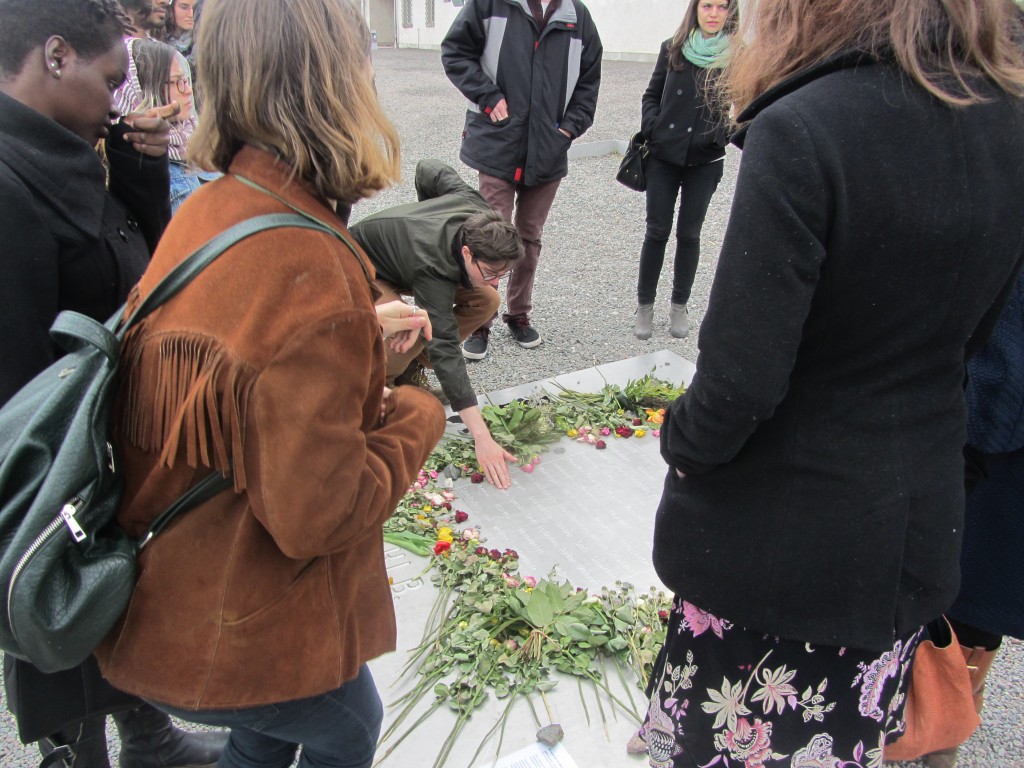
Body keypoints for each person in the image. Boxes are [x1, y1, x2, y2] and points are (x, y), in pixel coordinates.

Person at [635, 0, 1024, 766]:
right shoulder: (1009, 122)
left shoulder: (807, 126)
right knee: (843, 743)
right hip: (908, 525)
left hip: (779, 548)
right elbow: (970, 342)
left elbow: (740, 381)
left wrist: (681, 441)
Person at [92, 2, 446, 768]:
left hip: (167, 590)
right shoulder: (308, 262)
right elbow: (320, 516)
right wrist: (417, 413)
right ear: (334, 84)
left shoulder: (216, 205)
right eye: (365, 59)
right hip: (224, 626)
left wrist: (356, 341)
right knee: (349, 724)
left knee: (261, 742)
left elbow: (246, 381)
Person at [0, 1, 228, 766]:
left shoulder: (62, 147)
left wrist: (133, 167)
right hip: (53, 455)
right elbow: (21, 377)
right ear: (55, 57)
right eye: (108, 82)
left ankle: (148, 737)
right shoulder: (10, 182)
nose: (117, 100)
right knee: (64, 605)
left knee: (114, 589)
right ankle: (74, 753)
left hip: (100, 436)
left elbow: (137, 269)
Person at [441, 0, 602, 359]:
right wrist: (487, 95)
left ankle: (518, 313)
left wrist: (569, 128)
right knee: (491, 236)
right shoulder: (490, 5)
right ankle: (481, 320)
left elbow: (589, 82)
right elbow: (455, 52)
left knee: (529, 236)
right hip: (498, 143)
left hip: (548, 149)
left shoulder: (577, 17)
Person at [352, 159, 524, 490]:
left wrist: (426, 209)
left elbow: (429, 169)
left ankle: (412, 367)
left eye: (504, 274)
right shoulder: (433, 265)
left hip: (409, 262)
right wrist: (481, 436)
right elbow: (445, 347)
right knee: (404, 325)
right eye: (490, 273)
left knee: (486, 301)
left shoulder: (478, 212)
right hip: (364, 265)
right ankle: (382, 388)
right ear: (466, 252)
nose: (496, 280)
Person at [916, 269, 1024, 768]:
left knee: (965, 584)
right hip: (988, 427)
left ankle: (938, 718)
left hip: (993, 439)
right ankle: (944, 721)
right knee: (975, 587)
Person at [633, 0, 736, 341]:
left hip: (705, 161)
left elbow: (748, 103)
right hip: (664, 156)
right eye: (707, 5)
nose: (713, 13)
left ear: (730, 12)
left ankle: (679, 305)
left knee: (689, 235)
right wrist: (654, 128)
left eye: (722, 6)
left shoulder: (738, 55)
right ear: (696, 9)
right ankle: (645, 305)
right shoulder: (673, 48)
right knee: (657, 231)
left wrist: (722, 134)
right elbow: (651, 95)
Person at [131, 38, 215, 212]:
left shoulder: (197, 141)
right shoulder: (149, 166)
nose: (188, 90)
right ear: (150, 90)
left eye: (186, 80)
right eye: (178, 82)